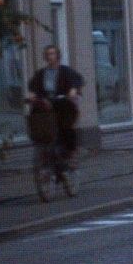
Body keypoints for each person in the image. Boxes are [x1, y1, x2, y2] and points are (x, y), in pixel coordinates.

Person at [25, 44, 84, 181]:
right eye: (48, 54)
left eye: (52, 54)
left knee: (66, 125)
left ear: (57, 56)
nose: (50, 57)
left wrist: (73, 91)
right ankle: (43, 155)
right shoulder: (41, 73)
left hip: (61, 102)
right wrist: (32, 95)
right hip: (46, 103)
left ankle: (71, 153)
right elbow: (33, 87)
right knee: (37, 117)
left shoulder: (65, 71)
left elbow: (76, 81)